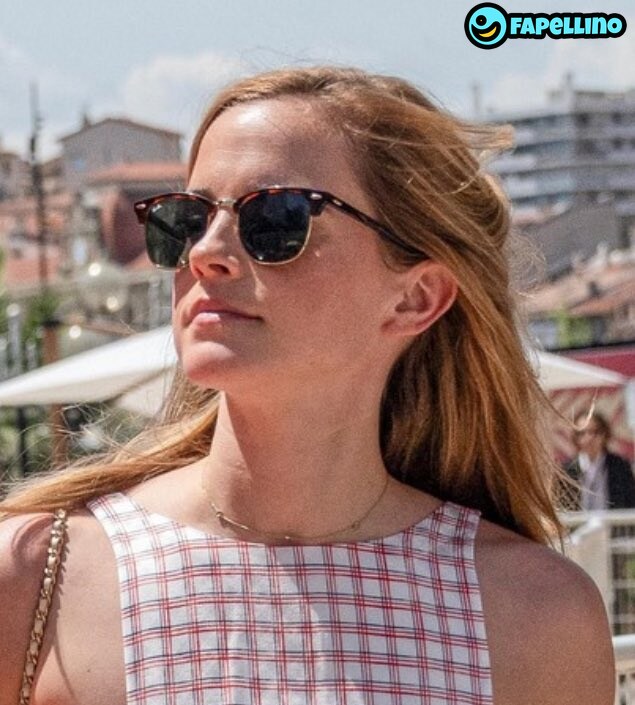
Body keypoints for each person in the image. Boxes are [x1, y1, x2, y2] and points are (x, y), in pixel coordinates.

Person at [0, 66, 615, 705]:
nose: (206, 252)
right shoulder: (37, 574)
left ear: (415, 298)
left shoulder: (535, 615)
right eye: (187, 219)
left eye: (276, 218)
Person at [563, 410, 635, 511]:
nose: (589, 438)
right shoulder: (567, 471)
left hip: (613, 520)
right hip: (579, 520)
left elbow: (629, 503)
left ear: (604, 434)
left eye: (594, 432)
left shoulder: (620, 466)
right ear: (575, 437)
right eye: (582, 433)